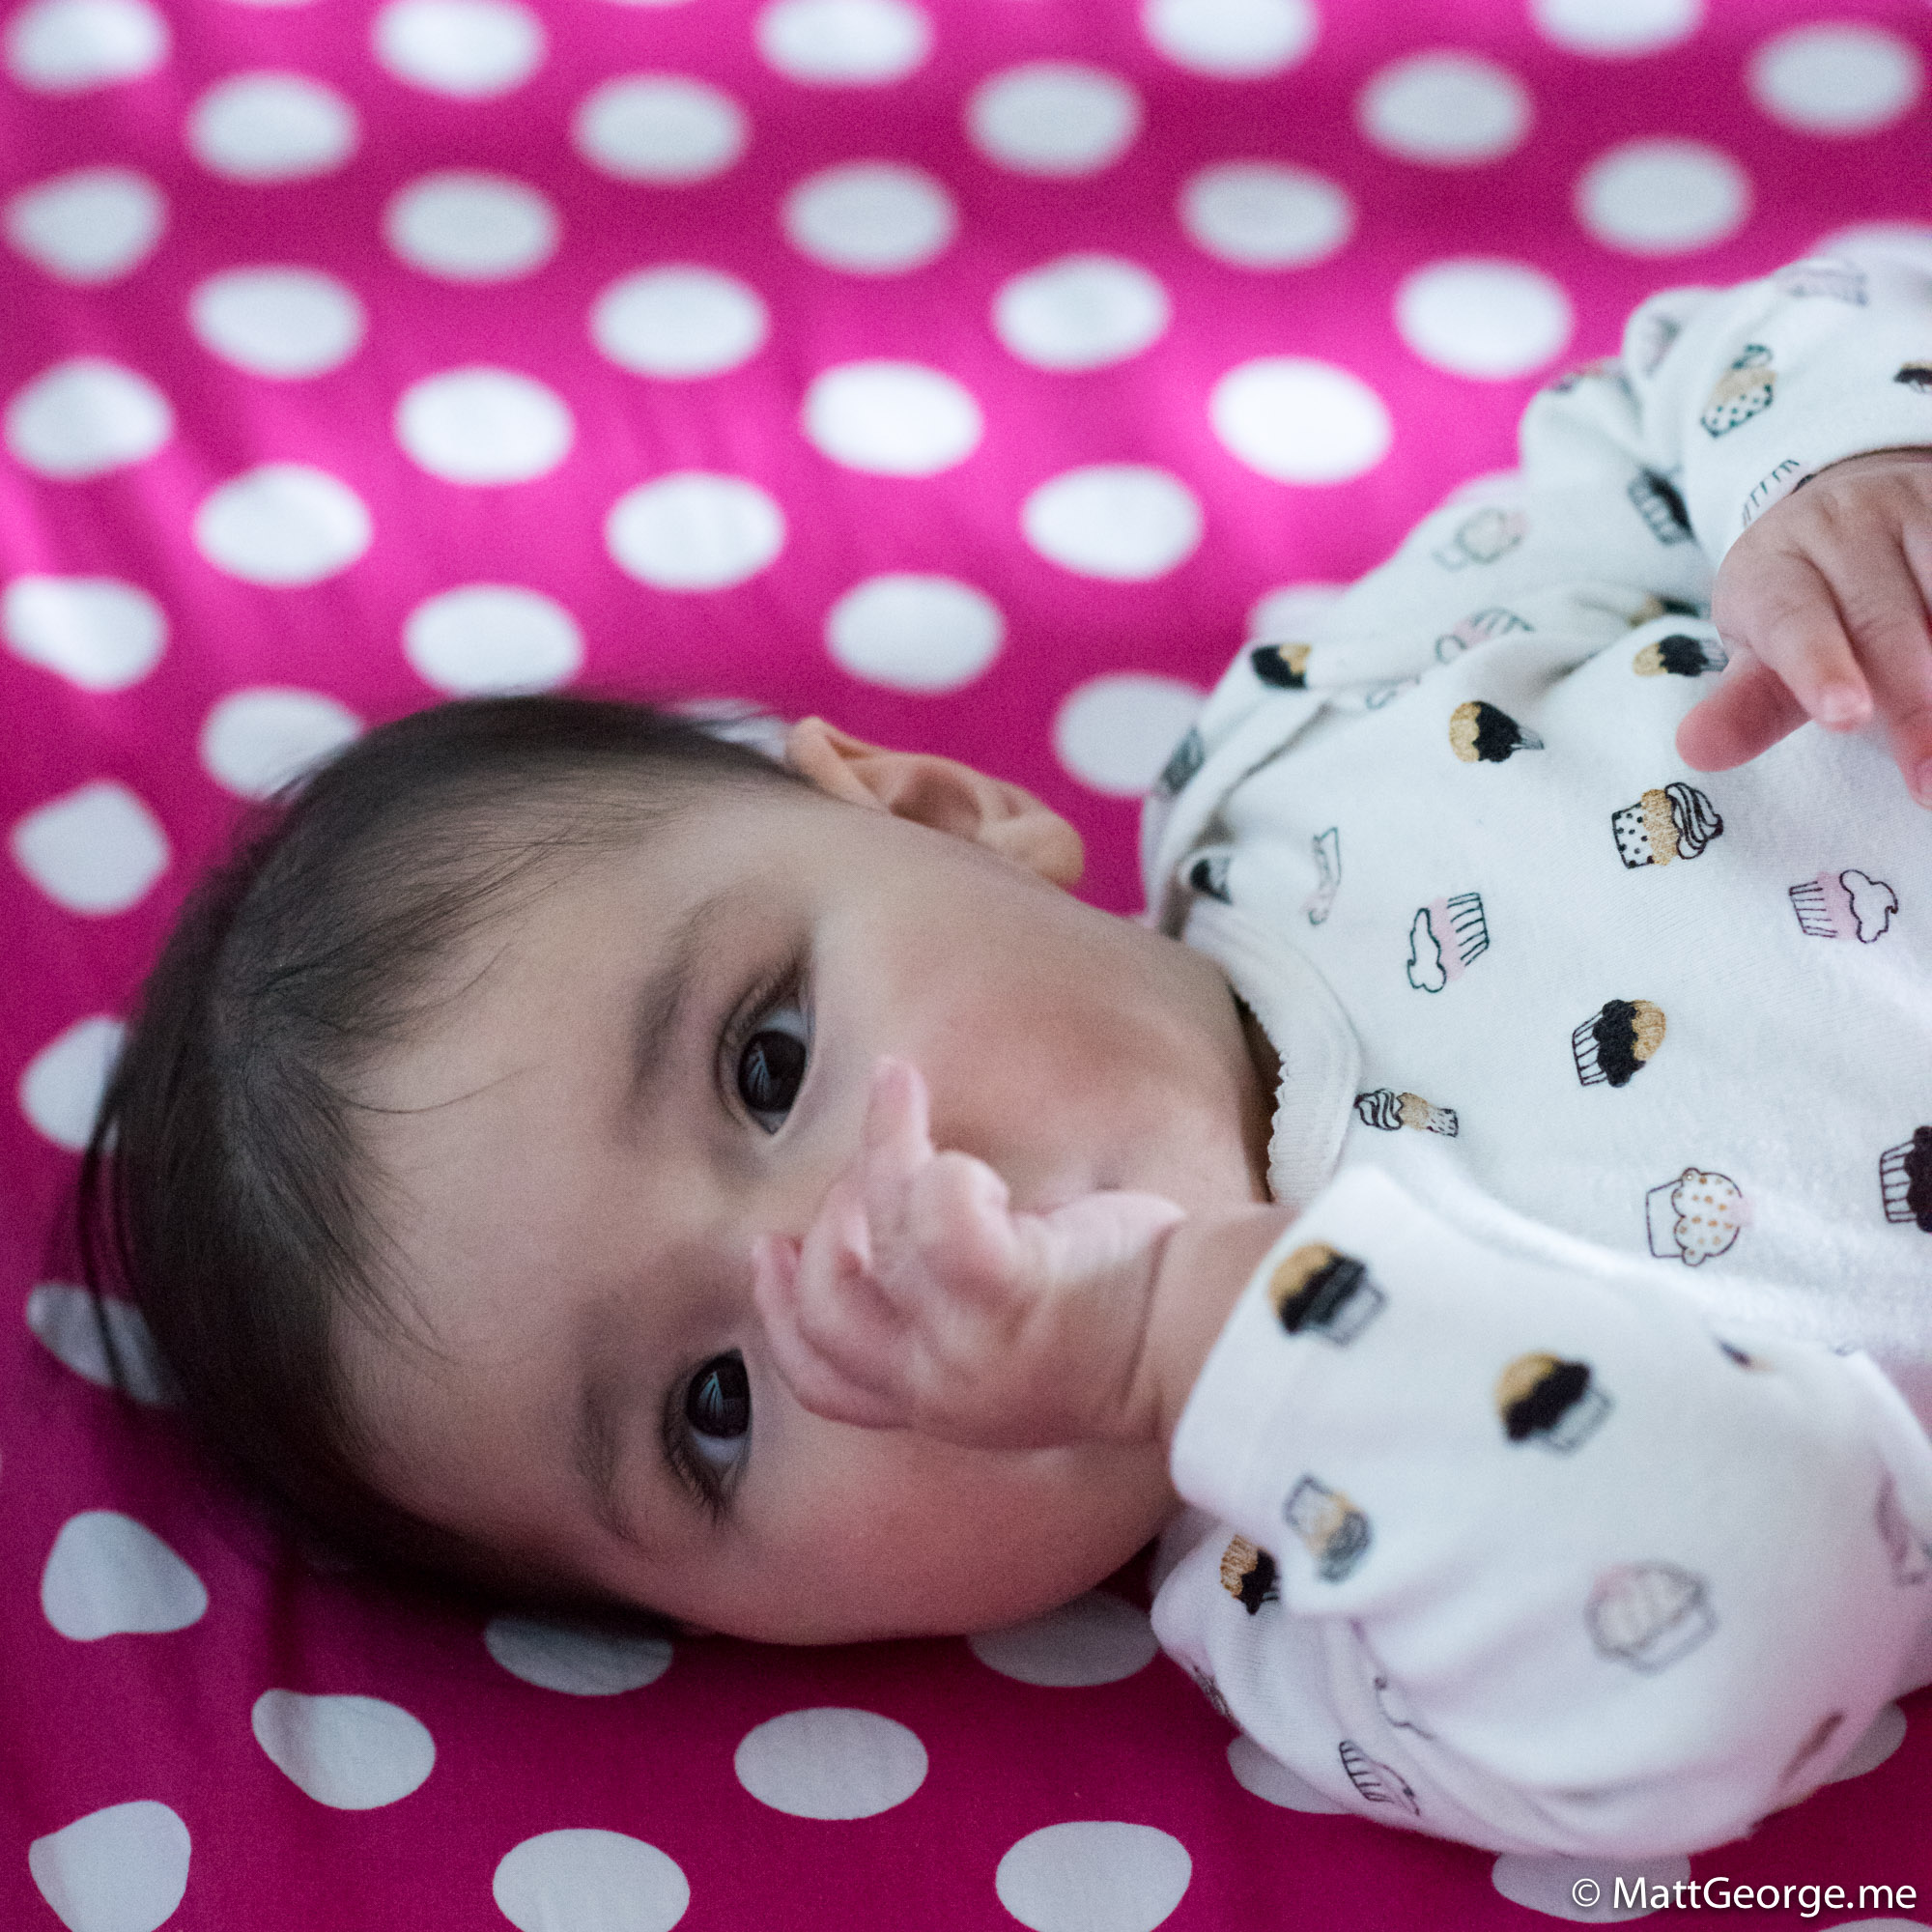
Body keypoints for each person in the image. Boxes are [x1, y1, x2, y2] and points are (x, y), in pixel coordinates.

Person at [85, 242, 1932, 1861]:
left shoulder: (1313, 752)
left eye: (764, 1061)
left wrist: (1839, 479)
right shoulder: (1336, 1612)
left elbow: (1673, 389)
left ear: (946, 814)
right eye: (712, 1409)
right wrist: (1198, 1333)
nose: (867, 1247)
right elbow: (1771, 1604)